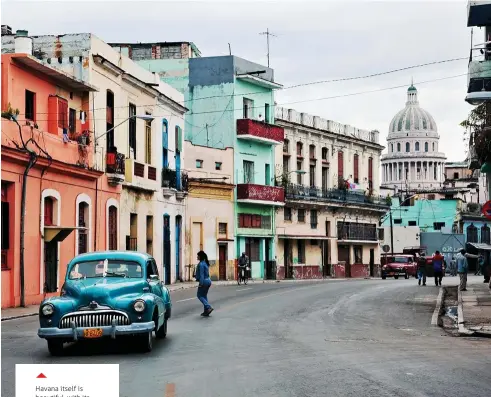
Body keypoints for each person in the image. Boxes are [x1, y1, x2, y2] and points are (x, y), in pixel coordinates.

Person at [195, 251, 213, 316]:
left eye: (198, 255)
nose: (197, 257)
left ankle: (208, 307)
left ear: (200, 256)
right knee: (204, 296)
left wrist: (201, 283)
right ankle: (206, 311)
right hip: (208, 280)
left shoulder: (201, 264)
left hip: (204, 281)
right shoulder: (205, 263)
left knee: (199, 295)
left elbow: (202, 275)